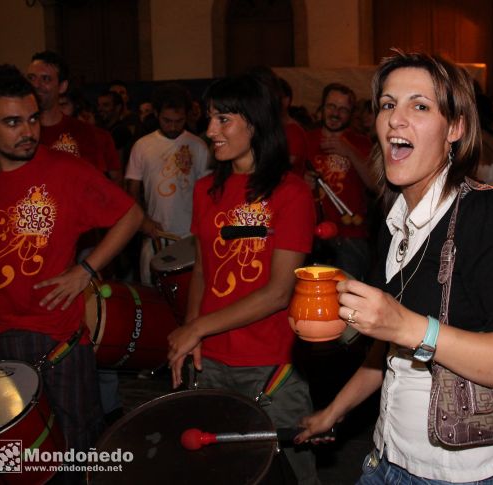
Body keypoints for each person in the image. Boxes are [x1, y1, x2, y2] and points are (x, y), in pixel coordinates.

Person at [295, 51, 493, 484]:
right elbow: (388, 349)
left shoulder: (489, 216)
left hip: (458, 474)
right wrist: (332, 412)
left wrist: (409, 327)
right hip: (385, 457)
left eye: (420, 105)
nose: (397, 118)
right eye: (387, 104)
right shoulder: (395, 219)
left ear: (456, 128)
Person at [0, 65, 142, 458]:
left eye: (31, 119)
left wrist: (85, 269)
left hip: (57, 337)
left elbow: (130, 215)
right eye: (12, 122)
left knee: (80, 452)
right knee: (15, 458)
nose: (28, 131)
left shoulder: (65, 170)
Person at [166, 74, 318, 484]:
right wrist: (192, 332)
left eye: (223, 119)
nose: (210, 130)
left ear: (255, 123)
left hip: (269, 366)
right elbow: (202, 269)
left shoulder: (292, 194)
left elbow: (279, 292)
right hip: (212, 362)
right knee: (224, 473)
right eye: (210, 118)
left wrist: (197, 325)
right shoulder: (204, 190)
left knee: (290, 475)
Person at [125, 82, 210, 285]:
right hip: (156, 234)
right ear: (156, 113)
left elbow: (207, 191)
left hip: (190, 235)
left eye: (179, 121)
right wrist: (143, 221)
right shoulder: (142, 146)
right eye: (167, 121)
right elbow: (131, 191)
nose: (173, 127)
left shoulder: (198, 146)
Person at [306, 82, 374, 280]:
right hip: (311, 234)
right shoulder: (306, 139)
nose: (336, 113)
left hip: (351, 235)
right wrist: (302, 183)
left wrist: (349, 151)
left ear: (351, 113)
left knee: (349, 301)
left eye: (343, 109)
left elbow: (374, 184)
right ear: (322, 107)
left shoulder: (361, 142)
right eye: (331, 106)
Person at [26, 50, 122, 183]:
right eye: (31, 78)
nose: (36, 85)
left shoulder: (93, 136)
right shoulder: (17, 136)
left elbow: (111, 190)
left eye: (45, 79)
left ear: (62, 86)